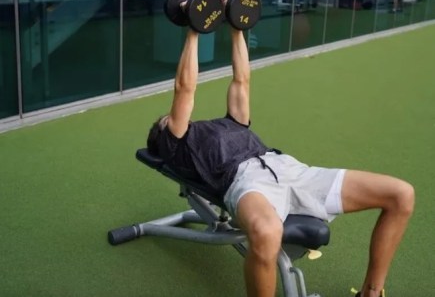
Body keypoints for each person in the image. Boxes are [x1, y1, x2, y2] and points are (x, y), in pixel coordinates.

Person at [146, 24, 415, 297]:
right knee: (267, 231)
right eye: (166, 121)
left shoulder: (230, 123)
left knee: (400, 194)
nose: (174, 117)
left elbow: (241, 80)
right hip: (246, 182)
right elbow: (185, 88)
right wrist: (193, 30)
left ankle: (371, 292)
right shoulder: (177, 144)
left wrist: (237, 27)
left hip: (289, 168)